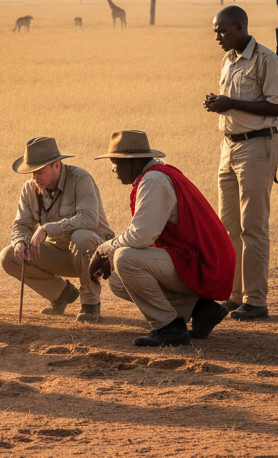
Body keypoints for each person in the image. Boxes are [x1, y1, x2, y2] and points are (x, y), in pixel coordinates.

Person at [88, 131, 236, 347]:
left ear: (132, 162)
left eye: (115, 164)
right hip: (204, 259)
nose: (114, 170)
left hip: (204, 263)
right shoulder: (158, 174)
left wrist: (104, 250)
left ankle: (169, 328)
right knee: (118, 281)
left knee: (124, 259)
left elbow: (141, 236)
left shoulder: (154, 180)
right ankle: (201, 308)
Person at [203, 5, 278, 320]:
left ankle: (255, 300)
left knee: (253, 226)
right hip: (229, 146)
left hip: (257, 146)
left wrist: (231, 103)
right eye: (215, 31)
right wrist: (218, 103)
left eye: (223, 31)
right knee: (228, 227)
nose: (218, 37)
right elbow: (234, 103)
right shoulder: (228, 60)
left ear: (240, 27)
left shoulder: (266, 59)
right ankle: (234, 295)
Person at [0, 137, 114, 321]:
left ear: (57, 166)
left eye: (39, 172)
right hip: (61, 253)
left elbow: (89, 220)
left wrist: (47, 229)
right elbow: (22, 224)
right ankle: (61, 294)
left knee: (82, 237)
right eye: (32, 172)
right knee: (9, 256)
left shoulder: (80, 179)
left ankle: (90, 304)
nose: (34, 177)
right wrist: (20, 241)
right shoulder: (29, 188)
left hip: (95, 256)